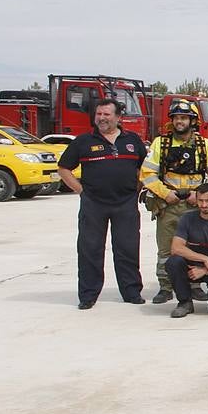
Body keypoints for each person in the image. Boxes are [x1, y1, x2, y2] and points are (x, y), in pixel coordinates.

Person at [58, 97, 146, 308]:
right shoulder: (83, 141)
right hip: (94, 204)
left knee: (127, 249)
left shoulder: (132, 140)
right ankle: (88, 296)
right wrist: (81, 192)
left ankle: (132, 292)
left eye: (107, 114)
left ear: (118, 117)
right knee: (90, 249)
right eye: (99, 114)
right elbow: (63, 169)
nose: (102, 118)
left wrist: (138, 186)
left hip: (125, 203)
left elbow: (145, 167)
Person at [140, 99, 208, 305]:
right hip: (168, 203)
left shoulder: (204, 146)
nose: (180, 122)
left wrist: (199, 195)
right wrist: (164, 193)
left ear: (193, 121)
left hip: (196, 204)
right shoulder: (161, 144)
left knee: (196, 246)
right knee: (166, 248)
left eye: (184, 118)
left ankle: (194, 286)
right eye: (176, 117)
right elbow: (147, 173)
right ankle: (165, 287)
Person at [163, 182, 208, 318]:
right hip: (192, 264)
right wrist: (203, 259)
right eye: (200, 201)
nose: (204, 205)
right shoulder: (187, 219)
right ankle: (184, 302)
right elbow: (176, 248)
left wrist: (205, 269)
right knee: (173, 262)